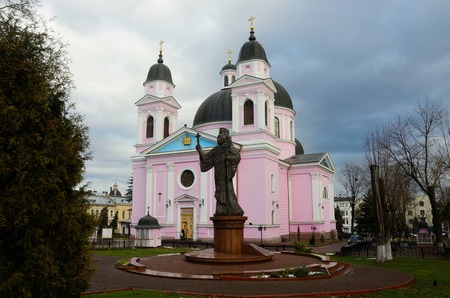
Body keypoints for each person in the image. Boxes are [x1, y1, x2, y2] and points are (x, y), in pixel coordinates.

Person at [196, 128, 244, 216]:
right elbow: (206, 158)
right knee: (219, 192)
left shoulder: (230, 147)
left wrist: (229, 158)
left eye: (221, 133)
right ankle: (221, 207)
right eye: (219, 133)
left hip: (226, 174)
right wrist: (200, 151)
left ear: (226, 135)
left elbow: (237, 157)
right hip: (218, 175)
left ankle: (231, 207)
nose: (219, 135)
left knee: (228, 191)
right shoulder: (216, 150)